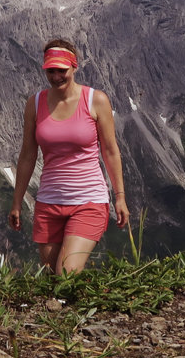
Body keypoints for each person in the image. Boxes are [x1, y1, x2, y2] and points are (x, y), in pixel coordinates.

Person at [7, 39, 129, 273]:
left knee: (67, 271)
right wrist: (17, 202)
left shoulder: (96, 100)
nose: (55, 77)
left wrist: (120, 197)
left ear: (74, 67)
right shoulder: (35, 103)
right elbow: (27, 155)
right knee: (52, 275)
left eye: (61, 71)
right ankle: (73, 309)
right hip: (49, 201)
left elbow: (111, 151)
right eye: (50, 71)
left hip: (88, 200)